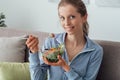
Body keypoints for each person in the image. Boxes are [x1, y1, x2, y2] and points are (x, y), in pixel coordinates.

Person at [26, 0, 103, 80]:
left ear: (84, 17)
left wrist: (65, 67)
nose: (66, 23)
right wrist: (34, 52)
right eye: (62, 18)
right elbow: (38, 78)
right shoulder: (52, 42)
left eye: (71, 17)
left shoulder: (95, 51)